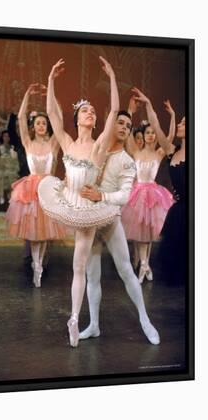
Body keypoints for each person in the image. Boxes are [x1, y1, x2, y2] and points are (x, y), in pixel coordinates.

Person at [37, 57, 121, 347]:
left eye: (93, 111)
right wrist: (50, 79)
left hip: (86, 210)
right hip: (66, 201)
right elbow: (51, 112)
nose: (91, 113)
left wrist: (111, 77)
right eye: (85, 110)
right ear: (77, 118)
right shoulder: (68, 143)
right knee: (80, 265)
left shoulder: (98, 147)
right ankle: (77, 317)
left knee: (79, 265)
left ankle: (74, 318)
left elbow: (114, 113)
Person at [77, 109, 160, 345]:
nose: (124, 127)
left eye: (128, 125)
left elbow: (124, 196)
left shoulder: (126, 161)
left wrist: (99, 196)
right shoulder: (96, 149)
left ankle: (145, 320)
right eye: (120, 122)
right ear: (111, 125)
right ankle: (94, 325)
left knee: (125, 270)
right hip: (90, 219)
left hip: (111, 219)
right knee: (92, 275)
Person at [6, 83, 67, 287]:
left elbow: (60, 120)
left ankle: (39, 263)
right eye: (38, 123)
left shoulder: (53, 145)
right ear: (34, 126)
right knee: (34, 233)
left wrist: (53, 97)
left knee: (44, 234)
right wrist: (27, 94)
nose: (41, 126)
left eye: (44, 123)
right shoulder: (28, 143)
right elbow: (21, 118)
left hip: (48, 189)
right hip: (30, 190)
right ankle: (36, 263)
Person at [121, 90, 176, 282]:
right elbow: (127, 134)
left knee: (149, 232)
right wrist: (130, 111)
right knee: (139, 232)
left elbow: (169, 137)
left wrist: (172, 116)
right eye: (148, 133)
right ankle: (143, 264)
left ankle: (145, 265)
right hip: (138, 194)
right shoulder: (136, 151)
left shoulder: (160, 153)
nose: (151, 135)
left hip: (153, 194)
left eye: (153, 133)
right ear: (143, 136)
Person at [158, 116, 186, 282]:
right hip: (179, 210)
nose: (179, 125)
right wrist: (148, 105)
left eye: (183, 123)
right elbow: (157, 128)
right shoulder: (172, 151)